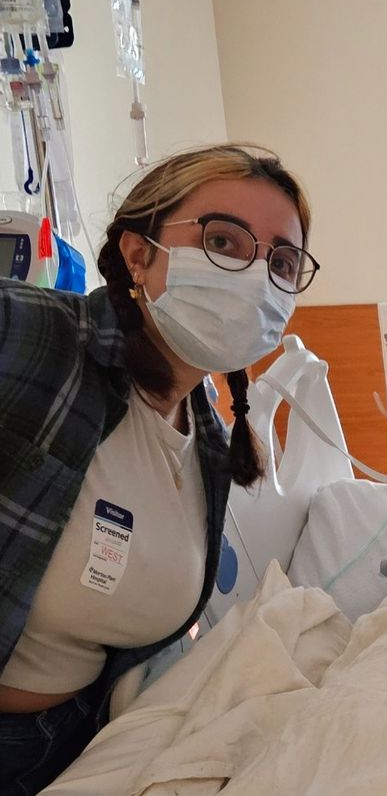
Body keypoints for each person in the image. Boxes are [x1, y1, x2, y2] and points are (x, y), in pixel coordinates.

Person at [0, 144, 318, 793]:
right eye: (223, 242)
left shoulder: (209, 447)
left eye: (281, 261)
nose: (256, 276)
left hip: (80, 746)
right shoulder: (32, 337)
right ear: (138, 255)